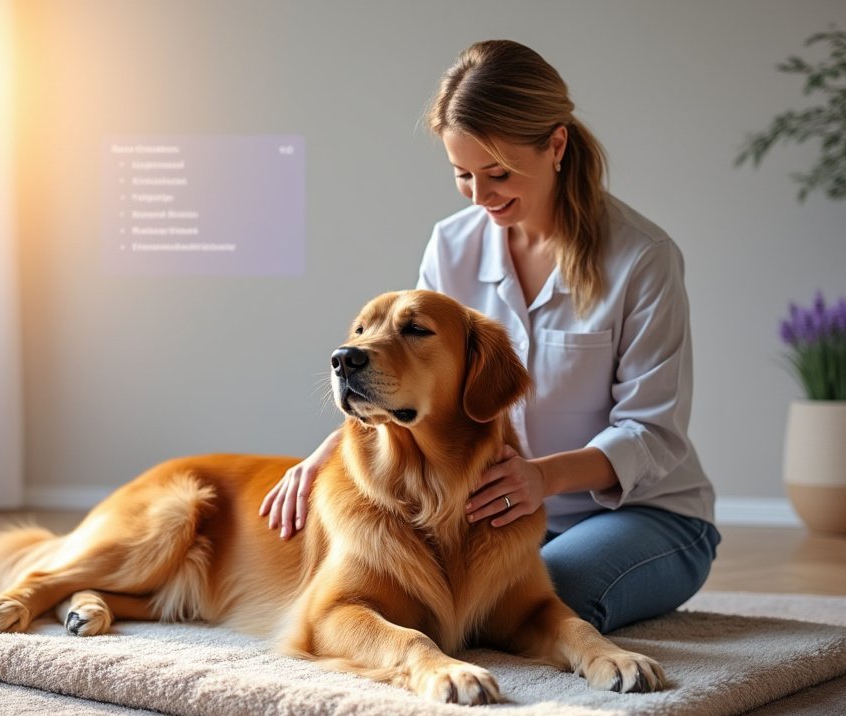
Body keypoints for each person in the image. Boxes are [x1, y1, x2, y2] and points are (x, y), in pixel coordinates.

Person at [259, 40, 719, 634]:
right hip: (494, 511)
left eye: (498, 173)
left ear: (556, 145)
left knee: (536, 599)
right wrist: (321, 460)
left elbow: (652, 434)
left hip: (644, 513)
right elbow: (410, 376)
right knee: (424, 593)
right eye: (463, 175)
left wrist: (543, 479)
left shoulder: (643, 259)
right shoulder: (452, 244)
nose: (481, 196)